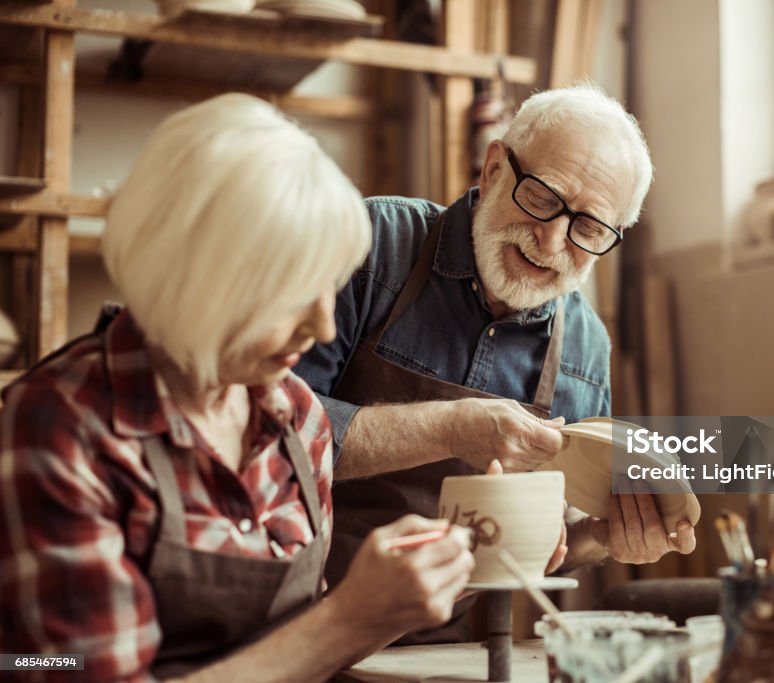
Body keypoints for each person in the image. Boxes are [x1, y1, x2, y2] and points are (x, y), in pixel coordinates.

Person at [0, 94, 473, 682]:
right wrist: (348, 620)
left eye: (329, 287)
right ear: (192, 277)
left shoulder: (296, 418)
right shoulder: (61, 427)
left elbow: (299, 648)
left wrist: (393, 603)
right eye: (292, 294)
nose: (323, 327)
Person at [295, 83, 698, 644]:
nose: (552, 240)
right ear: (493, 170)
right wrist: (453, 428)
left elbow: (549, 543)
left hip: (457, 656)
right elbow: (267, 438)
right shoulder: (372, 248)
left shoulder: (586, 349)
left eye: (588, 228)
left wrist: (602, 536)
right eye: (542, 197)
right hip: (303, 629)